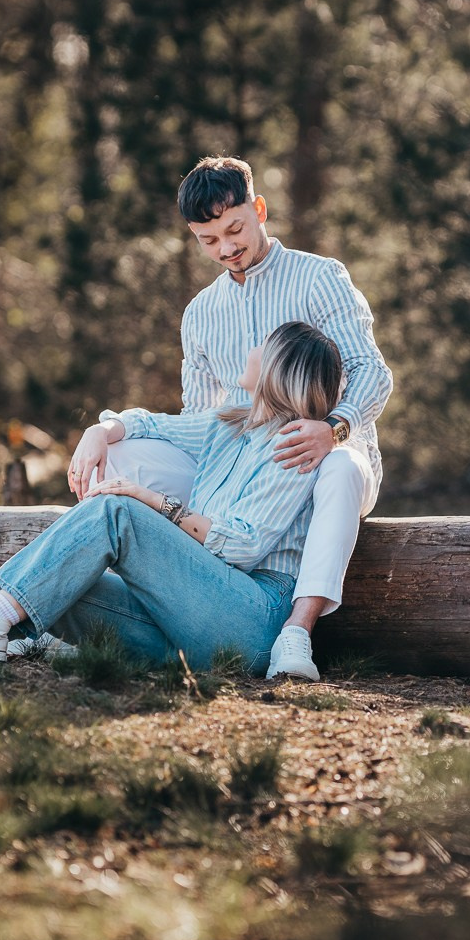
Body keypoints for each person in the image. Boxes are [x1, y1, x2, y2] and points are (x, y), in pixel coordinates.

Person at [0, 322, 344, 671]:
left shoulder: (294, 447)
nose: (250, 348)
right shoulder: (227, 427)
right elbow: (146, 422)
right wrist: (100, 433)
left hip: (248, 619)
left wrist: (149, 501)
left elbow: (240, 549)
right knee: (60, 573)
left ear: (279, 369)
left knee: (115, 510)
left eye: (262, 344)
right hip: (187, 620)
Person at [64, 156, 392, 681]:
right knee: (123, 455)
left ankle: (295, 634)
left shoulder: (320, 278)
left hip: (319, 453)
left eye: (234, 229)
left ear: (258, 210)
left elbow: (372, 372)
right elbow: (198, 417)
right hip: (237, 471)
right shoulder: (199, 313)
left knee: (340, 468)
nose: (226, 248)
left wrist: (334, 428)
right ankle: (166, 595)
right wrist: (103, 430)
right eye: (208, 239)